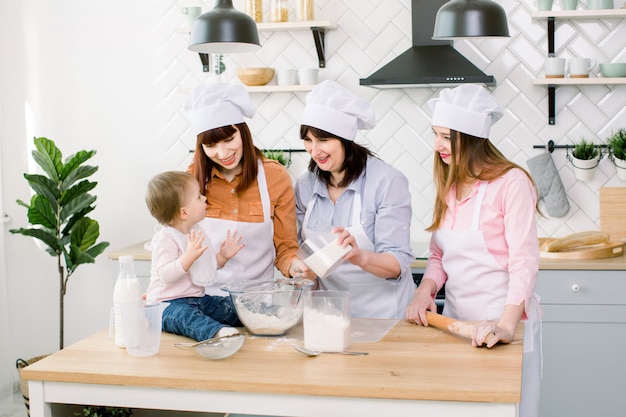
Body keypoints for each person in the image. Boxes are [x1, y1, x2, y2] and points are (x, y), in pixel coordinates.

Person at [404, 84, 542, 417]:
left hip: (502, 325)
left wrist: (506, 325)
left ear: (472, 138)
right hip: (456, 327)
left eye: (447, 137)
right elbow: (438, 255)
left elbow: (524, 262)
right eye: (436, 135)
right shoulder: (450, 183)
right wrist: (424, 292)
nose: (437, 146)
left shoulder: (512, 183)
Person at [294, 80, 415, 319]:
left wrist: (359, 257)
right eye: (308, 140)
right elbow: (304, 257)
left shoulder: (387, 181)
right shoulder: (305, 184)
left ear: (344, 138)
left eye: (323, 140)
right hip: (331, 315)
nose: (314, 150)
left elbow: (396, 263)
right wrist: (304, 274)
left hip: (387, 315)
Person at [183, 82, 311, 295]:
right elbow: (175, 245)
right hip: (200, 300)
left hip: (257, 303)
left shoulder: (275, 177)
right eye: (211, 146)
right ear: (201, 146)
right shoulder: (191, 180)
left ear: (242, 132)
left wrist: (294, 265)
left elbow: (285, 247)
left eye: (229, 139)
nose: (223, 153)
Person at [145, 171, 244, 341]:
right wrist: (188, 257)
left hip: (198, 300)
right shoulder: (165, 238)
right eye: (198, 197)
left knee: (231, 305)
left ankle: (263, 314)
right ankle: (215, 332)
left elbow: (207, 265)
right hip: (167, 306)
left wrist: (222, 256)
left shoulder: (195, 232)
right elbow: (165, 275)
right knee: (187, 317)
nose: (204, 198)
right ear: (184, 213)